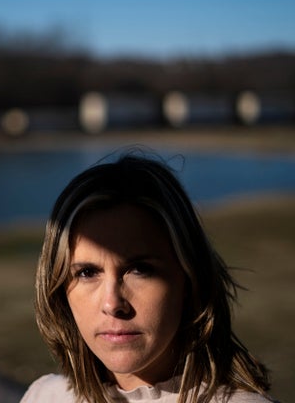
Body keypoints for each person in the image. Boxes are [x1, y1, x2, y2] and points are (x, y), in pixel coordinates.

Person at [21, 152, 277, 403]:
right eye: (87, 273)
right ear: (59, 290)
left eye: (139, 270)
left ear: (189, 279)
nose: (112, 304)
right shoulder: (45, 396)